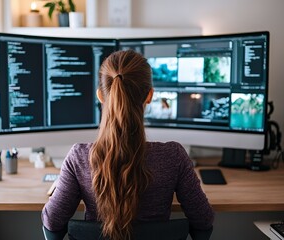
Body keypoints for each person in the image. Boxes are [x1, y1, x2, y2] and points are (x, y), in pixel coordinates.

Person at [41, 50, 214, 240]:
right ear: (149, 96)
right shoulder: (174, 156)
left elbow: (52, 222)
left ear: (101, 96)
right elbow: (203, 220)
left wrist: (66, 183)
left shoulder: (79, 157)